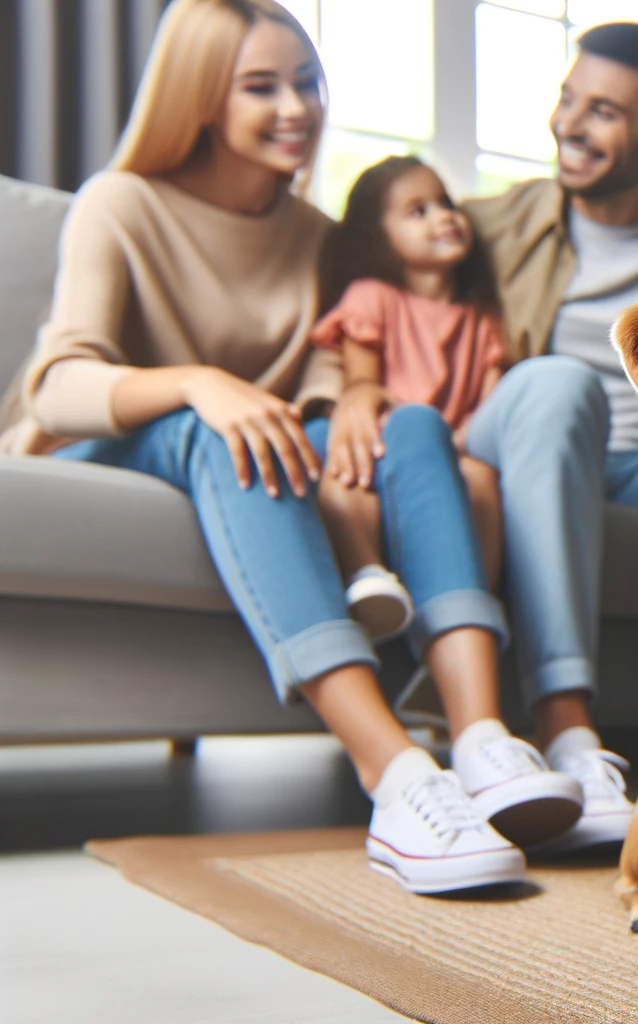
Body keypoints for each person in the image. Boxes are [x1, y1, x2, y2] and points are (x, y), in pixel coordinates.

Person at [0, 0, 579, 894]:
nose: (297, 109)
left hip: (252, 435)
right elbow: (59, 385)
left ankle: (479, 740)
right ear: (199, 99)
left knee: (408, 422)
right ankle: (394, 775)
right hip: (119, 441)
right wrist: (200, 382)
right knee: (226, 429)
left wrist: (352, 399)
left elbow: (322, 368)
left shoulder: (315, 236)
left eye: (307, 83)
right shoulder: (121, 205)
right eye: (261, 88)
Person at [459, 21, 638, 856]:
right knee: (559, 383)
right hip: (531, 445)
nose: (571, 126)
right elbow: (374, 272)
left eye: (604, 112)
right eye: (567, 102)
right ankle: (566, 726)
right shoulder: (488, 227)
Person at [311, 156, 510, 638]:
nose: (444, 217)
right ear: (380, 237)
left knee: (481, 480)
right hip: (386, 437)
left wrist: (457, 445)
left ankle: (468, 605)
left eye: (445, 204)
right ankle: (367, 573)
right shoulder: (371, 297)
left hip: (454, 450)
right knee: (348, 467)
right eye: (417, 211)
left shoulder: (483, 322)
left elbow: (490, 410)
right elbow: (363, 388)